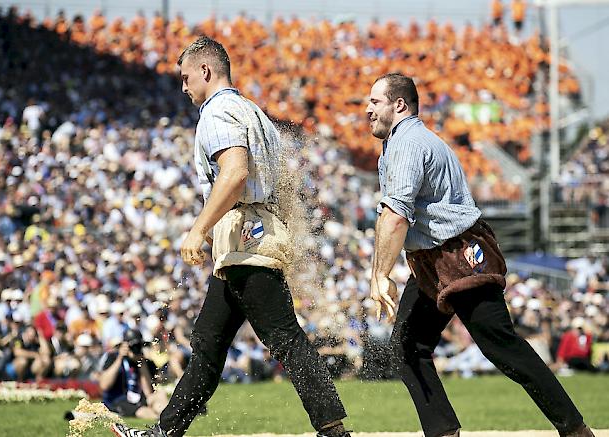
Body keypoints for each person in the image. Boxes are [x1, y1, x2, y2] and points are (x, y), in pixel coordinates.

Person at [111, 36, 349, 437]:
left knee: (284, 337)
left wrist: (198, 229)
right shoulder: (251, 110)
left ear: (205, 71)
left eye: (186, 78)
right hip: (253, 234)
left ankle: (333, 430)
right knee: (207, 343)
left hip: (244, 237)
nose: (184, 87)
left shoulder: (217, 112)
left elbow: (235, 172)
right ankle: (165, 432)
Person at [365, 72, 594, 437]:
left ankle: (575, 430)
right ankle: (443, 432)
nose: (367, 110)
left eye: (374, 102)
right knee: (408, 347)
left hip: (458, 254)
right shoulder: (400, 142)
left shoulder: (408, 143)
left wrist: (380, 274)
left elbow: (395, 214)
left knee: (501, 346)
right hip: (432, 259)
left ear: (400, 105)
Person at [98, 329, 168, 420]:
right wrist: (120, 357)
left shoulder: (146, 362)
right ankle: (159, 420)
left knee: (160, 395)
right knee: (142, 411)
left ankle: (169, 419)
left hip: (139, 399)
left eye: (138, 345)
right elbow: (104, 385)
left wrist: (141, 364)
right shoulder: (113, 358)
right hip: (119, 400)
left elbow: (148, 393)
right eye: (132, 346)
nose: (135, 348)